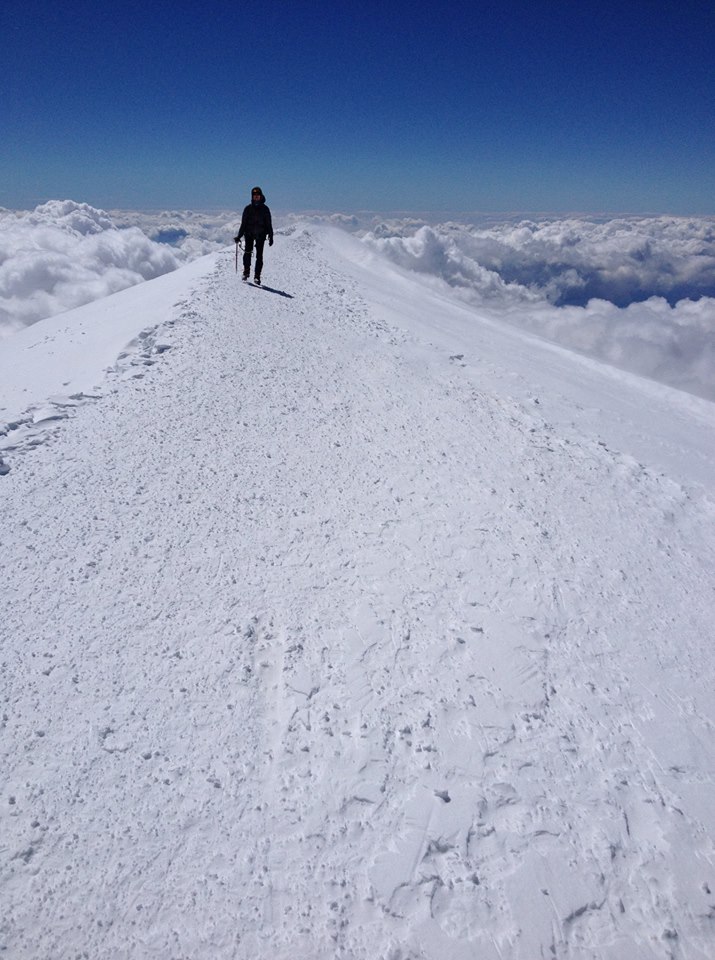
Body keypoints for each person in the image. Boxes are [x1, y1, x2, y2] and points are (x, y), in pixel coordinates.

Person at [234, 186, 273, 285]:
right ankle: (246, 272)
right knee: (247, 252)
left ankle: (257, 276)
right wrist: (239, 236)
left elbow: (269, 224)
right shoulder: (248, 209)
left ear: (261, 196)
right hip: (249, 234)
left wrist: (271, 236)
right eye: (254, 196)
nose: (256, 198)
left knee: (259, 256)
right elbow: (243, 224)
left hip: (261, 235)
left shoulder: (265, 209)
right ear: (252, 197)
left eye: (258, 196)